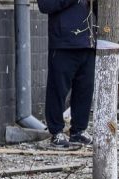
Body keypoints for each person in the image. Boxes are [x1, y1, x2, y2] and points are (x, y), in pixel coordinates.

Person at [38, 0, 96, 150]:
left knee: (85, 89)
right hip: (63, 42)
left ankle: (79, 131)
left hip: (88, 42)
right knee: (58, 89)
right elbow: (45, 6)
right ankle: (56, 132)